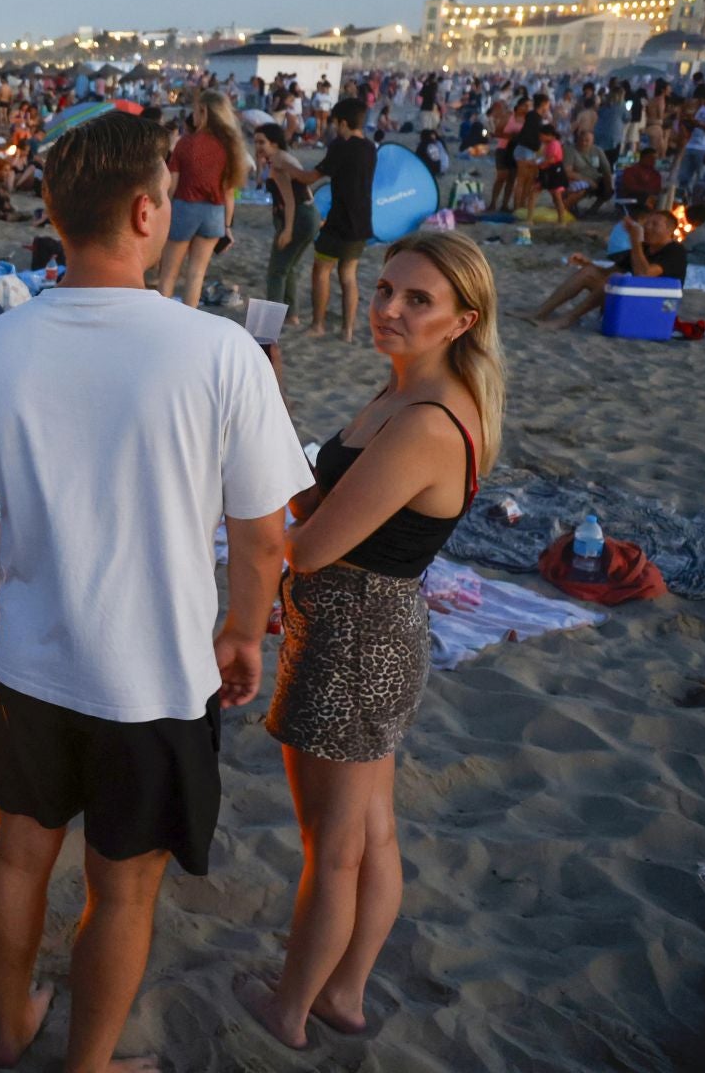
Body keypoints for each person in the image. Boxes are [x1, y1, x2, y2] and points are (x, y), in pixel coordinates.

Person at [0, 111, 311, 1071]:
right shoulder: (219, 352)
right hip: (154, 674)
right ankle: (88, 1063)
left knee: (17, 849)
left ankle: (10, 1021)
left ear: (54, 215)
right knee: (124, 886)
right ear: (149, 211)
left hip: (32, 657)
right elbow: (263, 535)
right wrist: (240, 633)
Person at [237, 230, 502, 1051]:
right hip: (361, 628)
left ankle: (289, 1011)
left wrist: (256, 528)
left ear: (463, 320)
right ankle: (343, 994)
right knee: (370, 832)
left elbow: (308, 543)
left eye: (417, 300)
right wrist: (272, 405)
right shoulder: (399, 393)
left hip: (357, 637)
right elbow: (320, 498)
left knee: (338, 844)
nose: (387, 308)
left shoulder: (426, 420)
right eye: (386, 289)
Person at [288, 99, 376, 342]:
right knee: (348, 276)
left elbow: (310, 177)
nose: (334, 128)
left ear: (344, 123)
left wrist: (287, 168)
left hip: (339, 221)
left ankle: (318, 324)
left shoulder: (341, 146)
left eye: (336, 123)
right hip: (362, 221)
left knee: (321, 270)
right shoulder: (370, 148)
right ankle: (347, 331)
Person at [158, 90, 248, 312]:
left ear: (204, 111)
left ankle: (161, 320)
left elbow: (172, 185)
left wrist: (164, 212)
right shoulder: (230, 146)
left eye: (195, 110)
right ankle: (190, 319)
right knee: (197, 274)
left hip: (185, 207)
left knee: (168, 274)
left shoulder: (187, 143)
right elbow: (228, 192)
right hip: (215, 214)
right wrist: (227, 226)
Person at [522, 210, 686, 329]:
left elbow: (644, 275)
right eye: (647, 223)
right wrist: (587, 264)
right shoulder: (643, 248)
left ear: (669, 230)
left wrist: (635, 241)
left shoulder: (675, 251)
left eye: (655, 224)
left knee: (614, 279)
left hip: (656, 306)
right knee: (590, 274)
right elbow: (607, 272)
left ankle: (567, 319)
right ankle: (541, 312)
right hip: (634, 298)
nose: (648, 227)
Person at [254, 123, 320, 327]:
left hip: (298, 217)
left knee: (276, 271)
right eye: (255, 141)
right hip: (308, 216)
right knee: (289, 267)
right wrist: (260, 164)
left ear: (274, 142)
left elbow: (290, 200)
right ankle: (292, 316)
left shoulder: (279, 162)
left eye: (261, 142)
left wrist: (288, 230)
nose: (257, 146)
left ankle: (271, 322)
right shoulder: (278, 158)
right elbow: (261, 183)